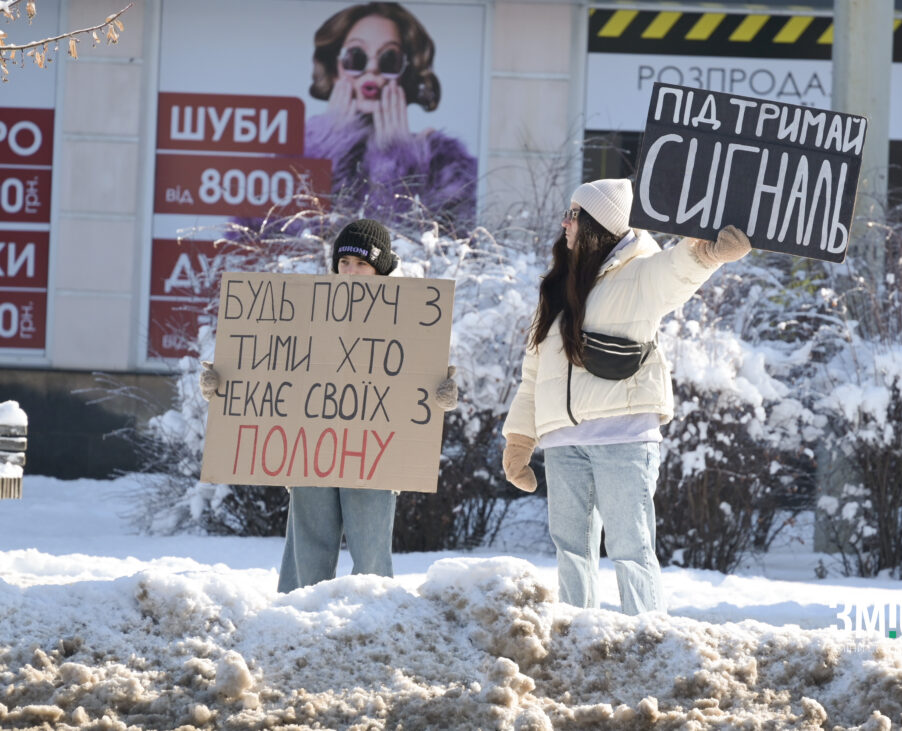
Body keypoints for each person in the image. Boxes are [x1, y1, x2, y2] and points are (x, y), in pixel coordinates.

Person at [501, 178, 751, 615]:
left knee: (630, 547)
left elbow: (674, 272)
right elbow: (534, 373)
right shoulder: (557, 286)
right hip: (563, 442)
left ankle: (649, 640)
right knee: (570, 549)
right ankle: (575, 638)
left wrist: (706, 254)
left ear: (598, 224)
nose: (565, 222)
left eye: (574, 215)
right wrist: (520, 438)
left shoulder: (639, 269)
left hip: (624, 438)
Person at [200, 219, 458, 591]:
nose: (351, 273)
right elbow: (269, 367)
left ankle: (371, 622)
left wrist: (442, 394)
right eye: (344, 264)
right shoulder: (307, 311)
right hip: (310, 448)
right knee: (307, 549)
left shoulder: (411, 319)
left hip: (374, 453)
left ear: (380, 269)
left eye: (362, 265)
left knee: (370, 555)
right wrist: (222, 386)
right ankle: (295, 621)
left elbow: (416, 392)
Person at [305, 2, 478, 233]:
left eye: (389, 60)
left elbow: (432, 250)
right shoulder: (295, 152)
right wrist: (327, 152)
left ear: (407, 74)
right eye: (356, 57)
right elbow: (282, 240)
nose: (372, 69)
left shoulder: (442, 164)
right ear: (335, 70)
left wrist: (398, 164)